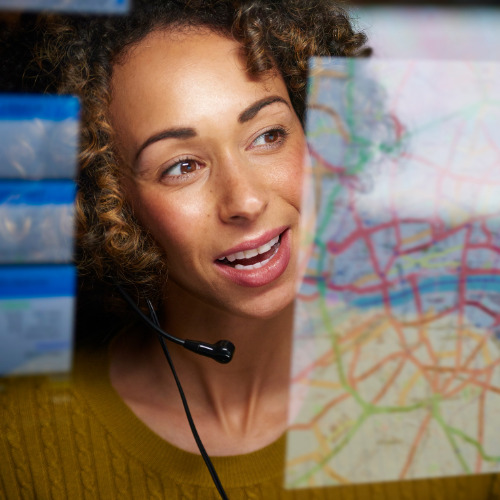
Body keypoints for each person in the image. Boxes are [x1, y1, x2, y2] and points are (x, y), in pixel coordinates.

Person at [0, 1, 499, 498]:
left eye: (268, 135)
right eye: (182, 167)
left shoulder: (468, 392)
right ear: (106, 200)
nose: (246, 200)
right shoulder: (18, 438)